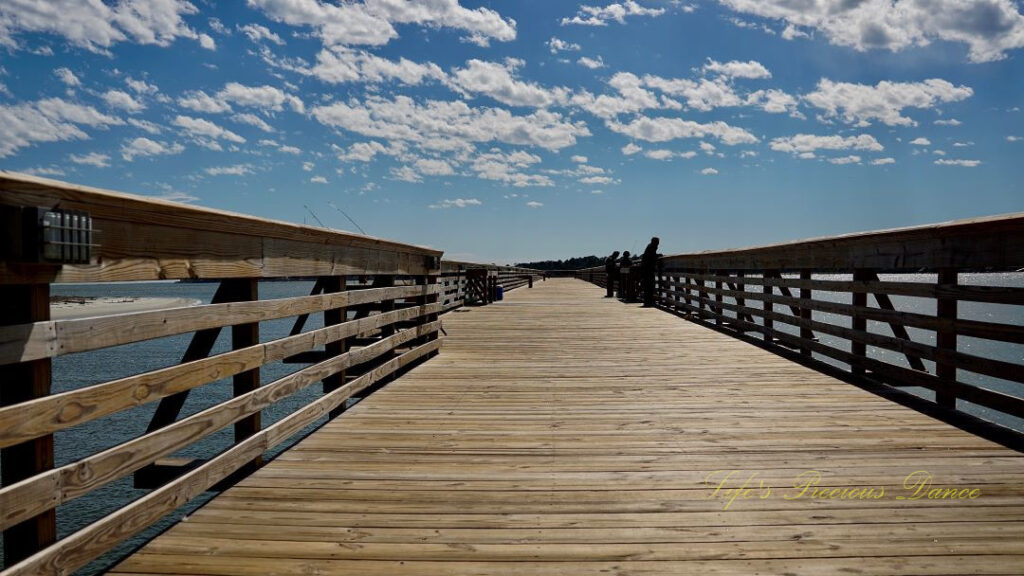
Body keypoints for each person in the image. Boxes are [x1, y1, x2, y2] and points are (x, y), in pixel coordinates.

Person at [640, 236, 661, 307]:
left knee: (648, 286)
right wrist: (658, 255)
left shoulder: (650, 246)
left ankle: (648, 301)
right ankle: (649, 301)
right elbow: (652, 257)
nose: (658, 244)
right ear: (654, 242)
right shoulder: (651, 247)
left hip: (646, 270)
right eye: (657, 242)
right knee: (649, 286)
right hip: (648, 270)